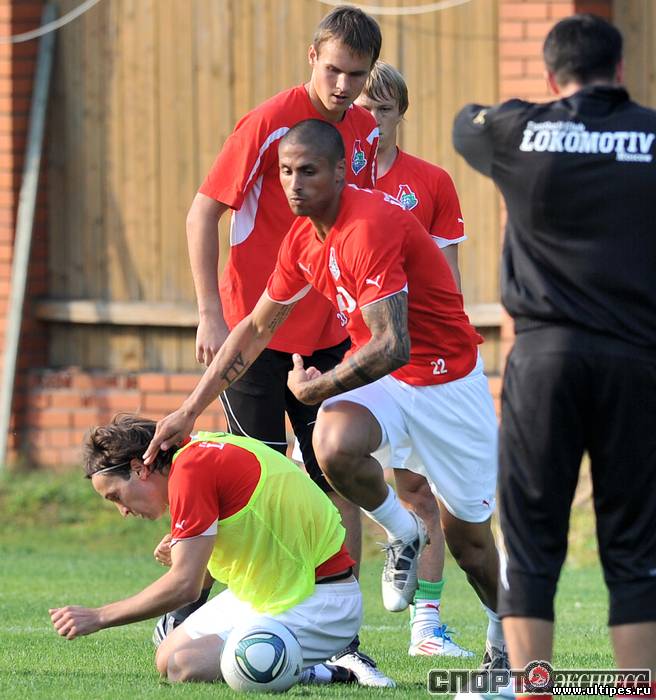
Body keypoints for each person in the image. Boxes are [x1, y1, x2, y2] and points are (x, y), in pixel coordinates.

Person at [143, 118, 507, 670]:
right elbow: (256, 327)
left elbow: (392, 344)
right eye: (286, 171)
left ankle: (505, 639)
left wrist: (315, 388)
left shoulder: (369, 227)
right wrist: (189, 410)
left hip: (447, 386)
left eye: (308, 171)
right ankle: (403, 532)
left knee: (471, 547)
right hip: (391, 383)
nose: (294, 184)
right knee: (331, 445)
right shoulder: (302, 238)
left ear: (340, 171)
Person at [172, 6, 391, 685]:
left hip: (329, 338)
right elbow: (203, 212)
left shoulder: (363, 131)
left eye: (357, 75)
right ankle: (202, 611)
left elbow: (357, 230)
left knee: (336, 478)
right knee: (254, 486)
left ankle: (343, 639)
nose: (344, 86)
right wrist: (210, 314)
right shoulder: (269, 122)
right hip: (256, 333)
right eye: (335, 70)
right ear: (312, 56)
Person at [453, 13, 656, 699]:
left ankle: (534, 690)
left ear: (550, 76)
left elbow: (464, 122)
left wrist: (540, 116)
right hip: (635, 363)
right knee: (634, 550)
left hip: (544, 361)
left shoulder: (519, 131)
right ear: (620, 70)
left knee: (534, 546)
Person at [49, 415, 367, 688]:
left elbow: (184, 586)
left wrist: (99, 617)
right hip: (270, 593)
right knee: (166, 657)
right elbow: (210, 567)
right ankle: (310, 669)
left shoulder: (191, 471)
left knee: (185, 666)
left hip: (319, 601)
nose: (123, 511)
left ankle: (302, 670)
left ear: (139, 468)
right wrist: (189, 553)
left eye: (116, 496)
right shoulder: (196, 453)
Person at [355, 60, 471, 658]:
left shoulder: (431, 182)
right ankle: (336, 631)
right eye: (364, 107)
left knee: (420, 492)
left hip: (414, 361)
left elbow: (447, 280)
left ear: (401, 113)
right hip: (346, 357)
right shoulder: (330, 179)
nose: (373, 118)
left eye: (384, 108)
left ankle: (427, 627)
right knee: (330, 489)